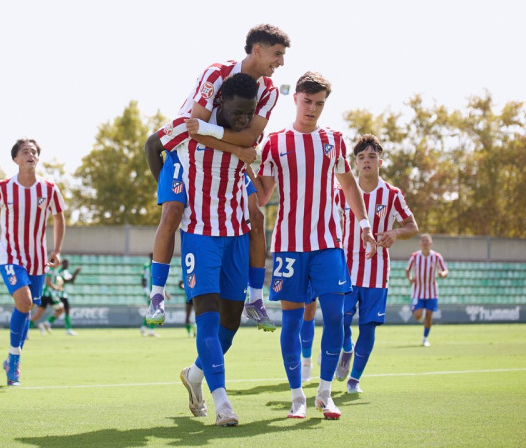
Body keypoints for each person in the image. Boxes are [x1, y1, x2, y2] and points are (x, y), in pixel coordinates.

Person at [144, 24, 290, 333]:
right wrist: (170, 191)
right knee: (172, 211)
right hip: (186, 154)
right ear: (258, 50)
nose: (281, 62)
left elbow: (250, 135)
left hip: (231, 163)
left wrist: (238, 151)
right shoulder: (215, 73)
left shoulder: (270, 92)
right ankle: (157, 295)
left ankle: (255, 298)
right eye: (277, 55)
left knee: (255, 215)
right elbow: (195, 130)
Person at [254, 72, 377, 420]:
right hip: (290, 246)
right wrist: (246, 166)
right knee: (292, 322)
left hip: (327, 244)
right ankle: (297, 397)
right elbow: (263, 196)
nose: (312, 108)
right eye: (307, 101)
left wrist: (365, 225)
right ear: (295, 99)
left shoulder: (334, 140)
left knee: (336, 317)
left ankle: (325, 393)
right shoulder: (275, 142)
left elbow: (349, 186)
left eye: (319, 103)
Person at [145, 73, 260, 426]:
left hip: (235, 232)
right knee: (207, 318)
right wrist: (168, 184)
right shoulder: (189, 125)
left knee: (230, 322)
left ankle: (194, 375)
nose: (244, 120)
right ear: (220, 102)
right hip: (199, 234)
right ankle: (223, 402)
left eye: (249, 114)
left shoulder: (252, 130)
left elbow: (250, 156)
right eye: (238, 112)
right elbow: (153, 144)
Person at [331, 134, 419, 395]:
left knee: (368, 327)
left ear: (380, 161)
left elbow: (412, 226)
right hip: (346, 267)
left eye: (371, 156)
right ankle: (346, 349)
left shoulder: (392, 194)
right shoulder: (342, 192)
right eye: (361, 157)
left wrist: (395, 233)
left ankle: (354, 380)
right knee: (340, 320)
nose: (366, 161)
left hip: (377, 272)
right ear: (355, 163)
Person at [0, 138, 66, 386]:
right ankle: (14, 361)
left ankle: (12, 359)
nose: (30, 154)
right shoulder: (3, 187)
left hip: (38, 259)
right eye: (25, 151)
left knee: (27, 308)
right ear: (15, 159)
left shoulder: (49, 189)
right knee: (25, 301)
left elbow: (59, 218)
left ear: (38, 159)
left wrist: (57, 249)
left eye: (34, 151)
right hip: (10, 255)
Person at [405, 233, 448, 347]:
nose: (425, 243)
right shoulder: (414, 256)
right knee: (418, 315)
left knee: (429, 315)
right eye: (423, 241)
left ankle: (425, 338)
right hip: (417, 291)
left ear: (431, 243)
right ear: (420, 243)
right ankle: (421, 317)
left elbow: (445, 270)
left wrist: (442, 274)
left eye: (427, 241)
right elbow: (407, 270)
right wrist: (410, 278)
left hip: (432, 291)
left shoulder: (437, 257)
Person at [32, 266, 64, 335]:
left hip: (45, 294)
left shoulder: (54, 270)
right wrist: (56, 288)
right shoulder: (50, 270)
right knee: (61, 309)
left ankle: (26, 331)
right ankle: (46, 323)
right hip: (48, 294)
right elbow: (47, 281)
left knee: (38, 314)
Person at [56, 258, 81, 336]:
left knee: (63, 310)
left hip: (63, 294)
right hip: (60, 294)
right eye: (65, 263)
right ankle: (68, 329)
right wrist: (76, 273)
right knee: (64, 310)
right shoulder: (61, 272)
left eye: (67, 263)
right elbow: (68, 280)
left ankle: (46, 323)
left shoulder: (65, 272)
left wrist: (75, 274)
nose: (66, 265)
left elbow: (72, 281)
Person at [140, 254, 162, 337]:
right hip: (149, 292)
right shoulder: (146, 266)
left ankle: (144, 328)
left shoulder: (155, 267)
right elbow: (143, 280)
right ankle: (150, 330)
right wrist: (146, 291)